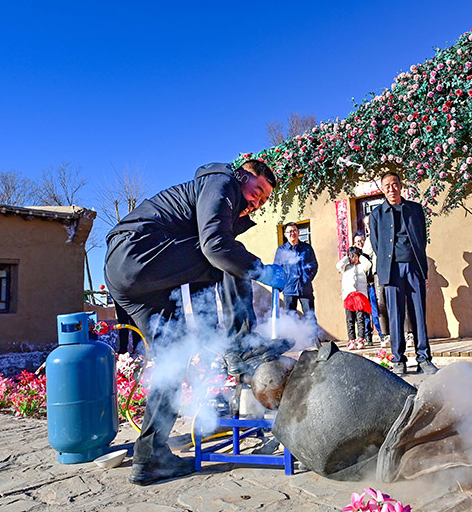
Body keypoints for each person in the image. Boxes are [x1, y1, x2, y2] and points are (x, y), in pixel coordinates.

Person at [104, 160, 288, 486]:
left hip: (128, 275)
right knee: (227, 251)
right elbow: (215, 249)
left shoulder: (222, 207)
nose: (258, 202)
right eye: (257, 191)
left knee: (173, 359)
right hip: (136, 250)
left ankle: (150, 456)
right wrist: (260, 269)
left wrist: (207, 338)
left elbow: (201, 283)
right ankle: (241, 346)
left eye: (264, 199)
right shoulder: (222, 182)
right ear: (241, 176)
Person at [369, 171, 438, 375]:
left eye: (395, 184)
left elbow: (421, 238)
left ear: (401, 186)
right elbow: (376, 244)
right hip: (391, 271)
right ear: (382, 189)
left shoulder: (415, 209)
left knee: (418, 313)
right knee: (395, 315)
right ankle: (398, 359)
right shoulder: (377, 214)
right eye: (387, 186)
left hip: (414, 267)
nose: (392, 189)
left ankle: (424, 358)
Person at [274, 222, 318, 320]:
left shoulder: (307, 248)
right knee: (290, 318)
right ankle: (293, 336)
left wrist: (307, 278)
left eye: (294, 230)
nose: (292, 233)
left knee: (310, 317)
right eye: (289, 231)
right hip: (289, 289)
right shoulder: (281, 250)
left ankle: (313, 335)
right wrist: (284, 284)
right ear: (285, 234)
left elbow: (314, 265)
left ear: (298, 232)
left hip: (305, 288)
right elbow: (277, 269)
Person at [361, 216, 391, 348]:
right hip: (378, 273)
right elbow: (365, 257)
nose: (368, 226)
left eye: (370, 223)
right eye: (366, 225)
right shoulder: (369, 239)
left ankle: (408, 334)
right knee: (381, 304)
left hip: (393, 270)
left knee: (399, 301)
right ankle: (386, 335)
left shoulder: (389, 232)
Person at [336, 246, 373, 349]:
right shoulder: (346, 267)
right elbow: (338, 265)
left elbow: (368, 264)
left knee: (360, 318)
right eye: (351, 256)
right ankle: (351, 340)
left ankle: (361, 339)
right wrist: (347, 258)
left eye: (355, 256)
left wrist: (360, 257)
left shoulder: (362, 266)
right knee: (350, 319)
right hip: (349, 296)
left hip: (360, 296)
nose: (354, 258)